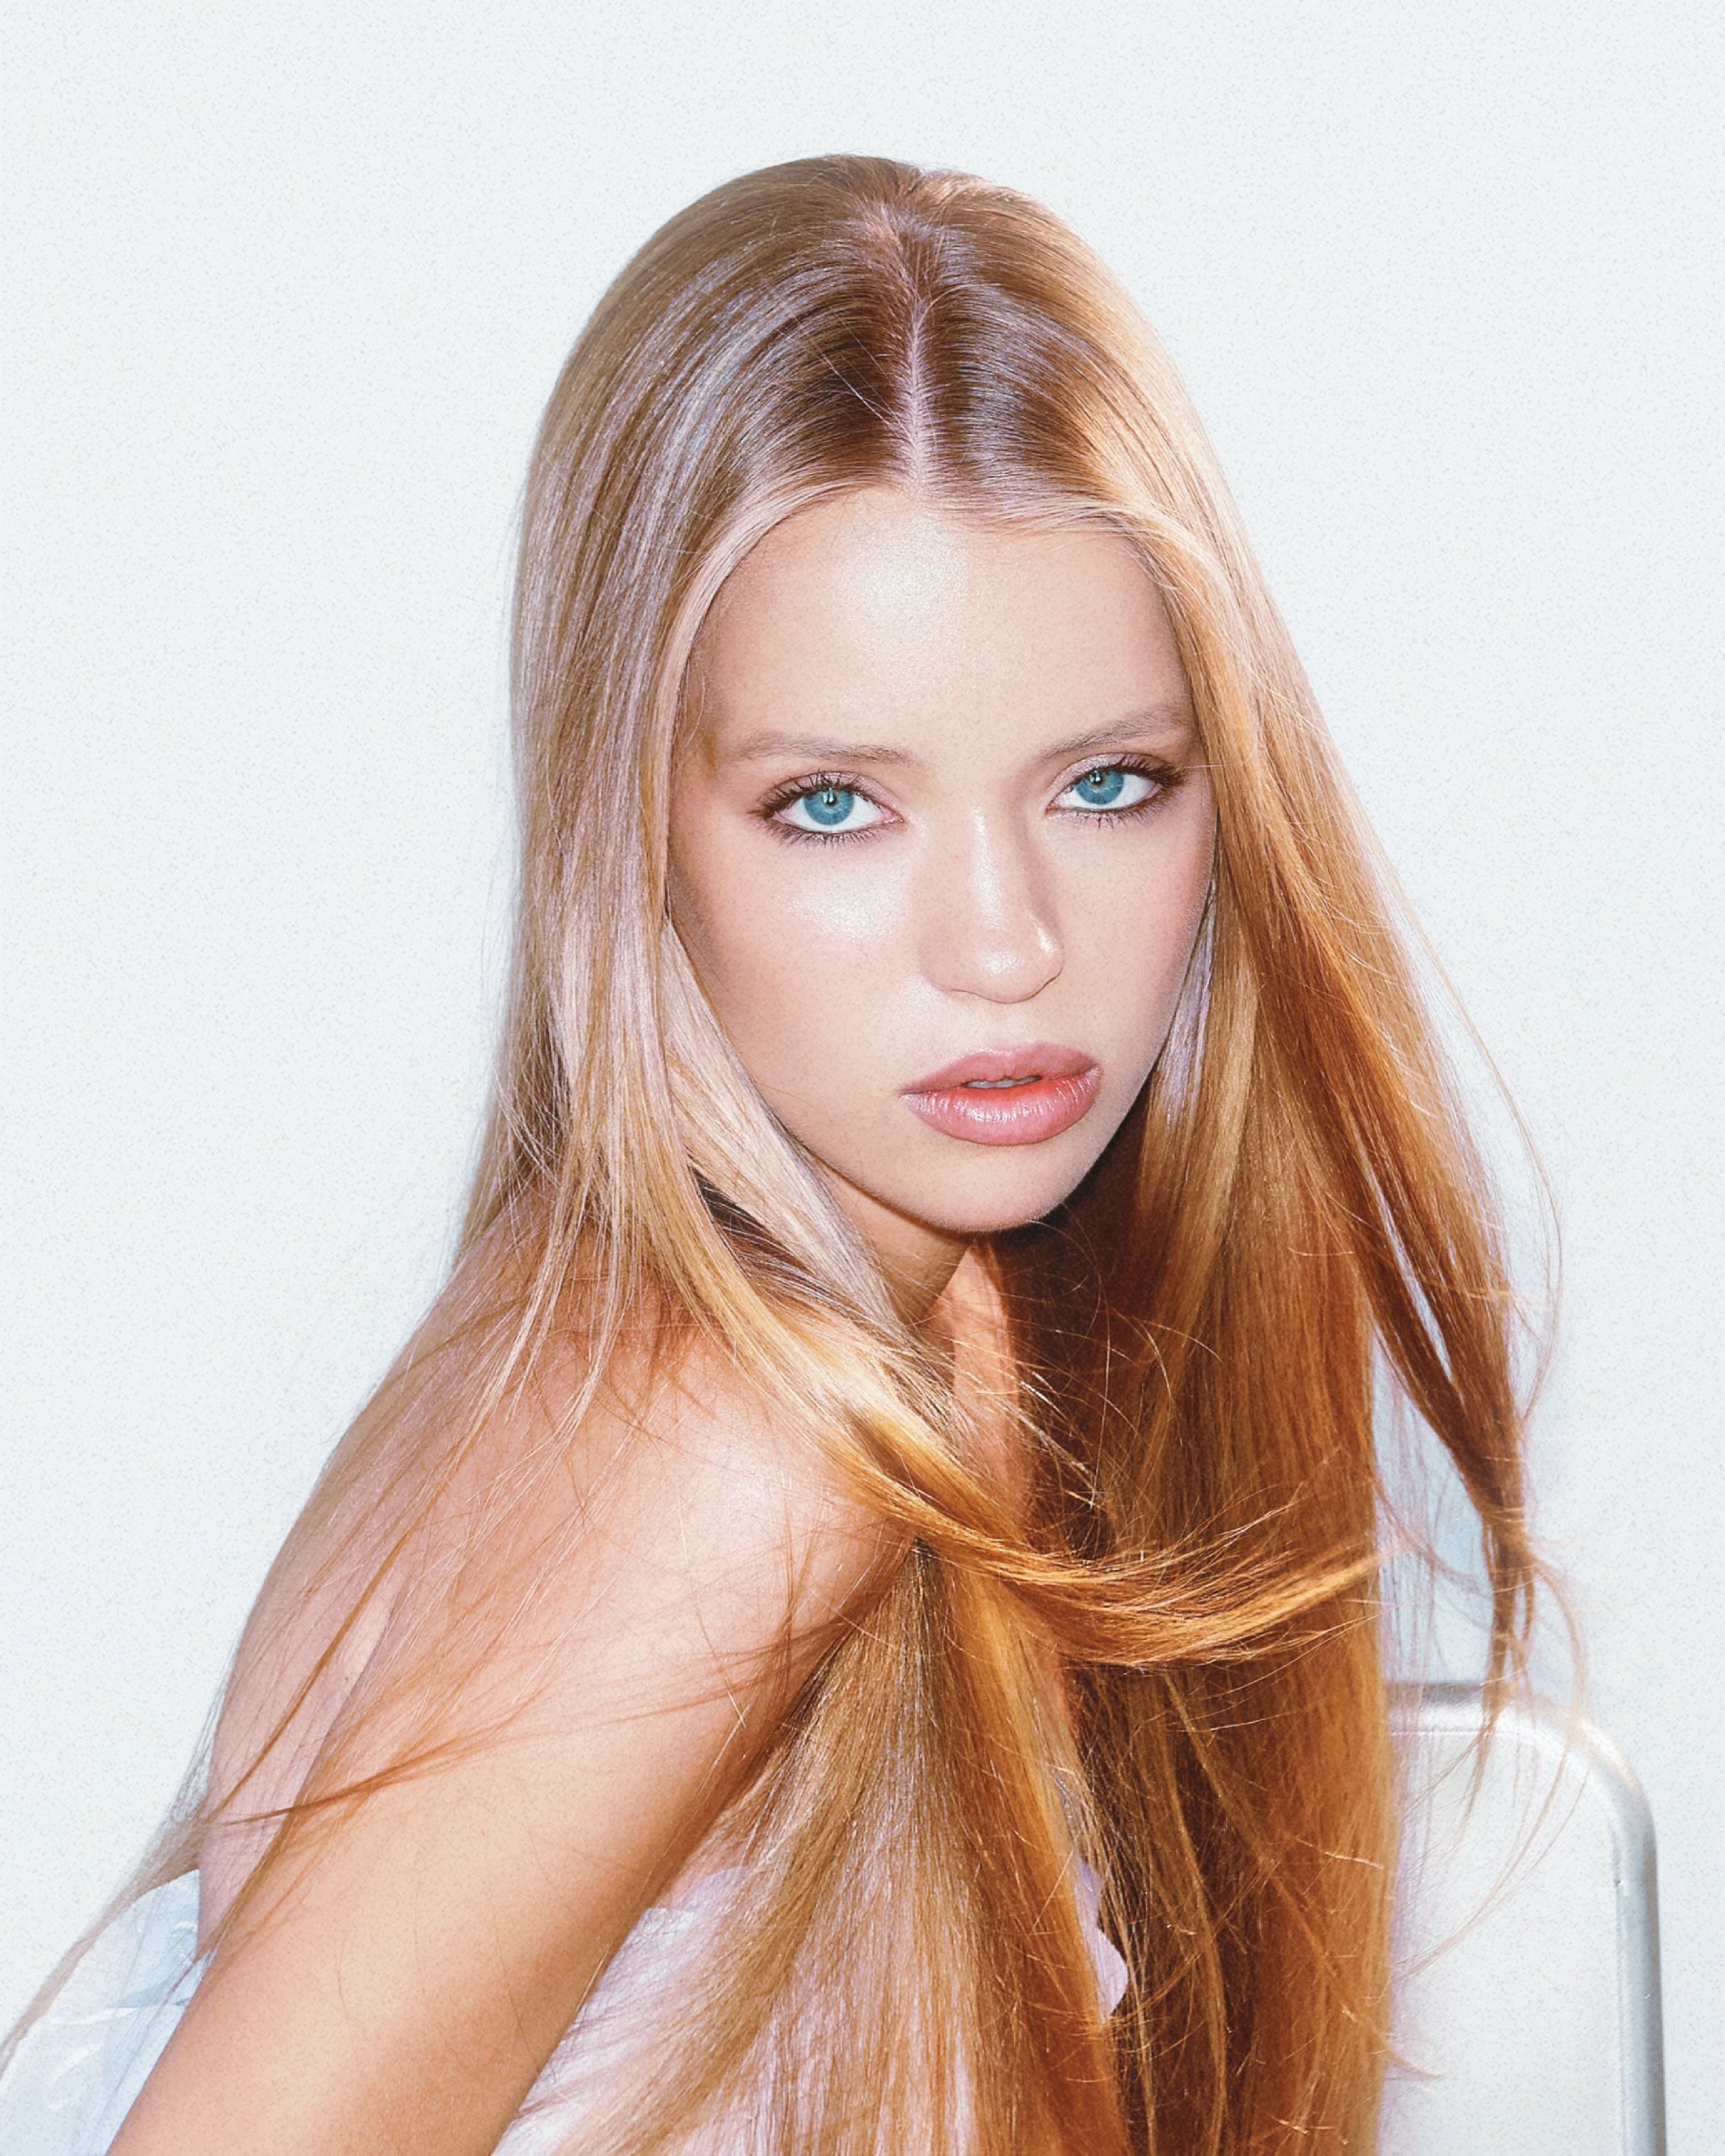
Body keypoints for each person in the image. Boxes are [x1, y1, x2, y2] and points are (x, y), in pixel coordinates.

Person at [0, 154, 1544, 2155]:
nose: (1004, 942)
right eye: (832, 805)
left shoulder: (941, 1332)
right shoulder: (734, 1448)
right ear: (631, 829)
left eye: (1106, 784)